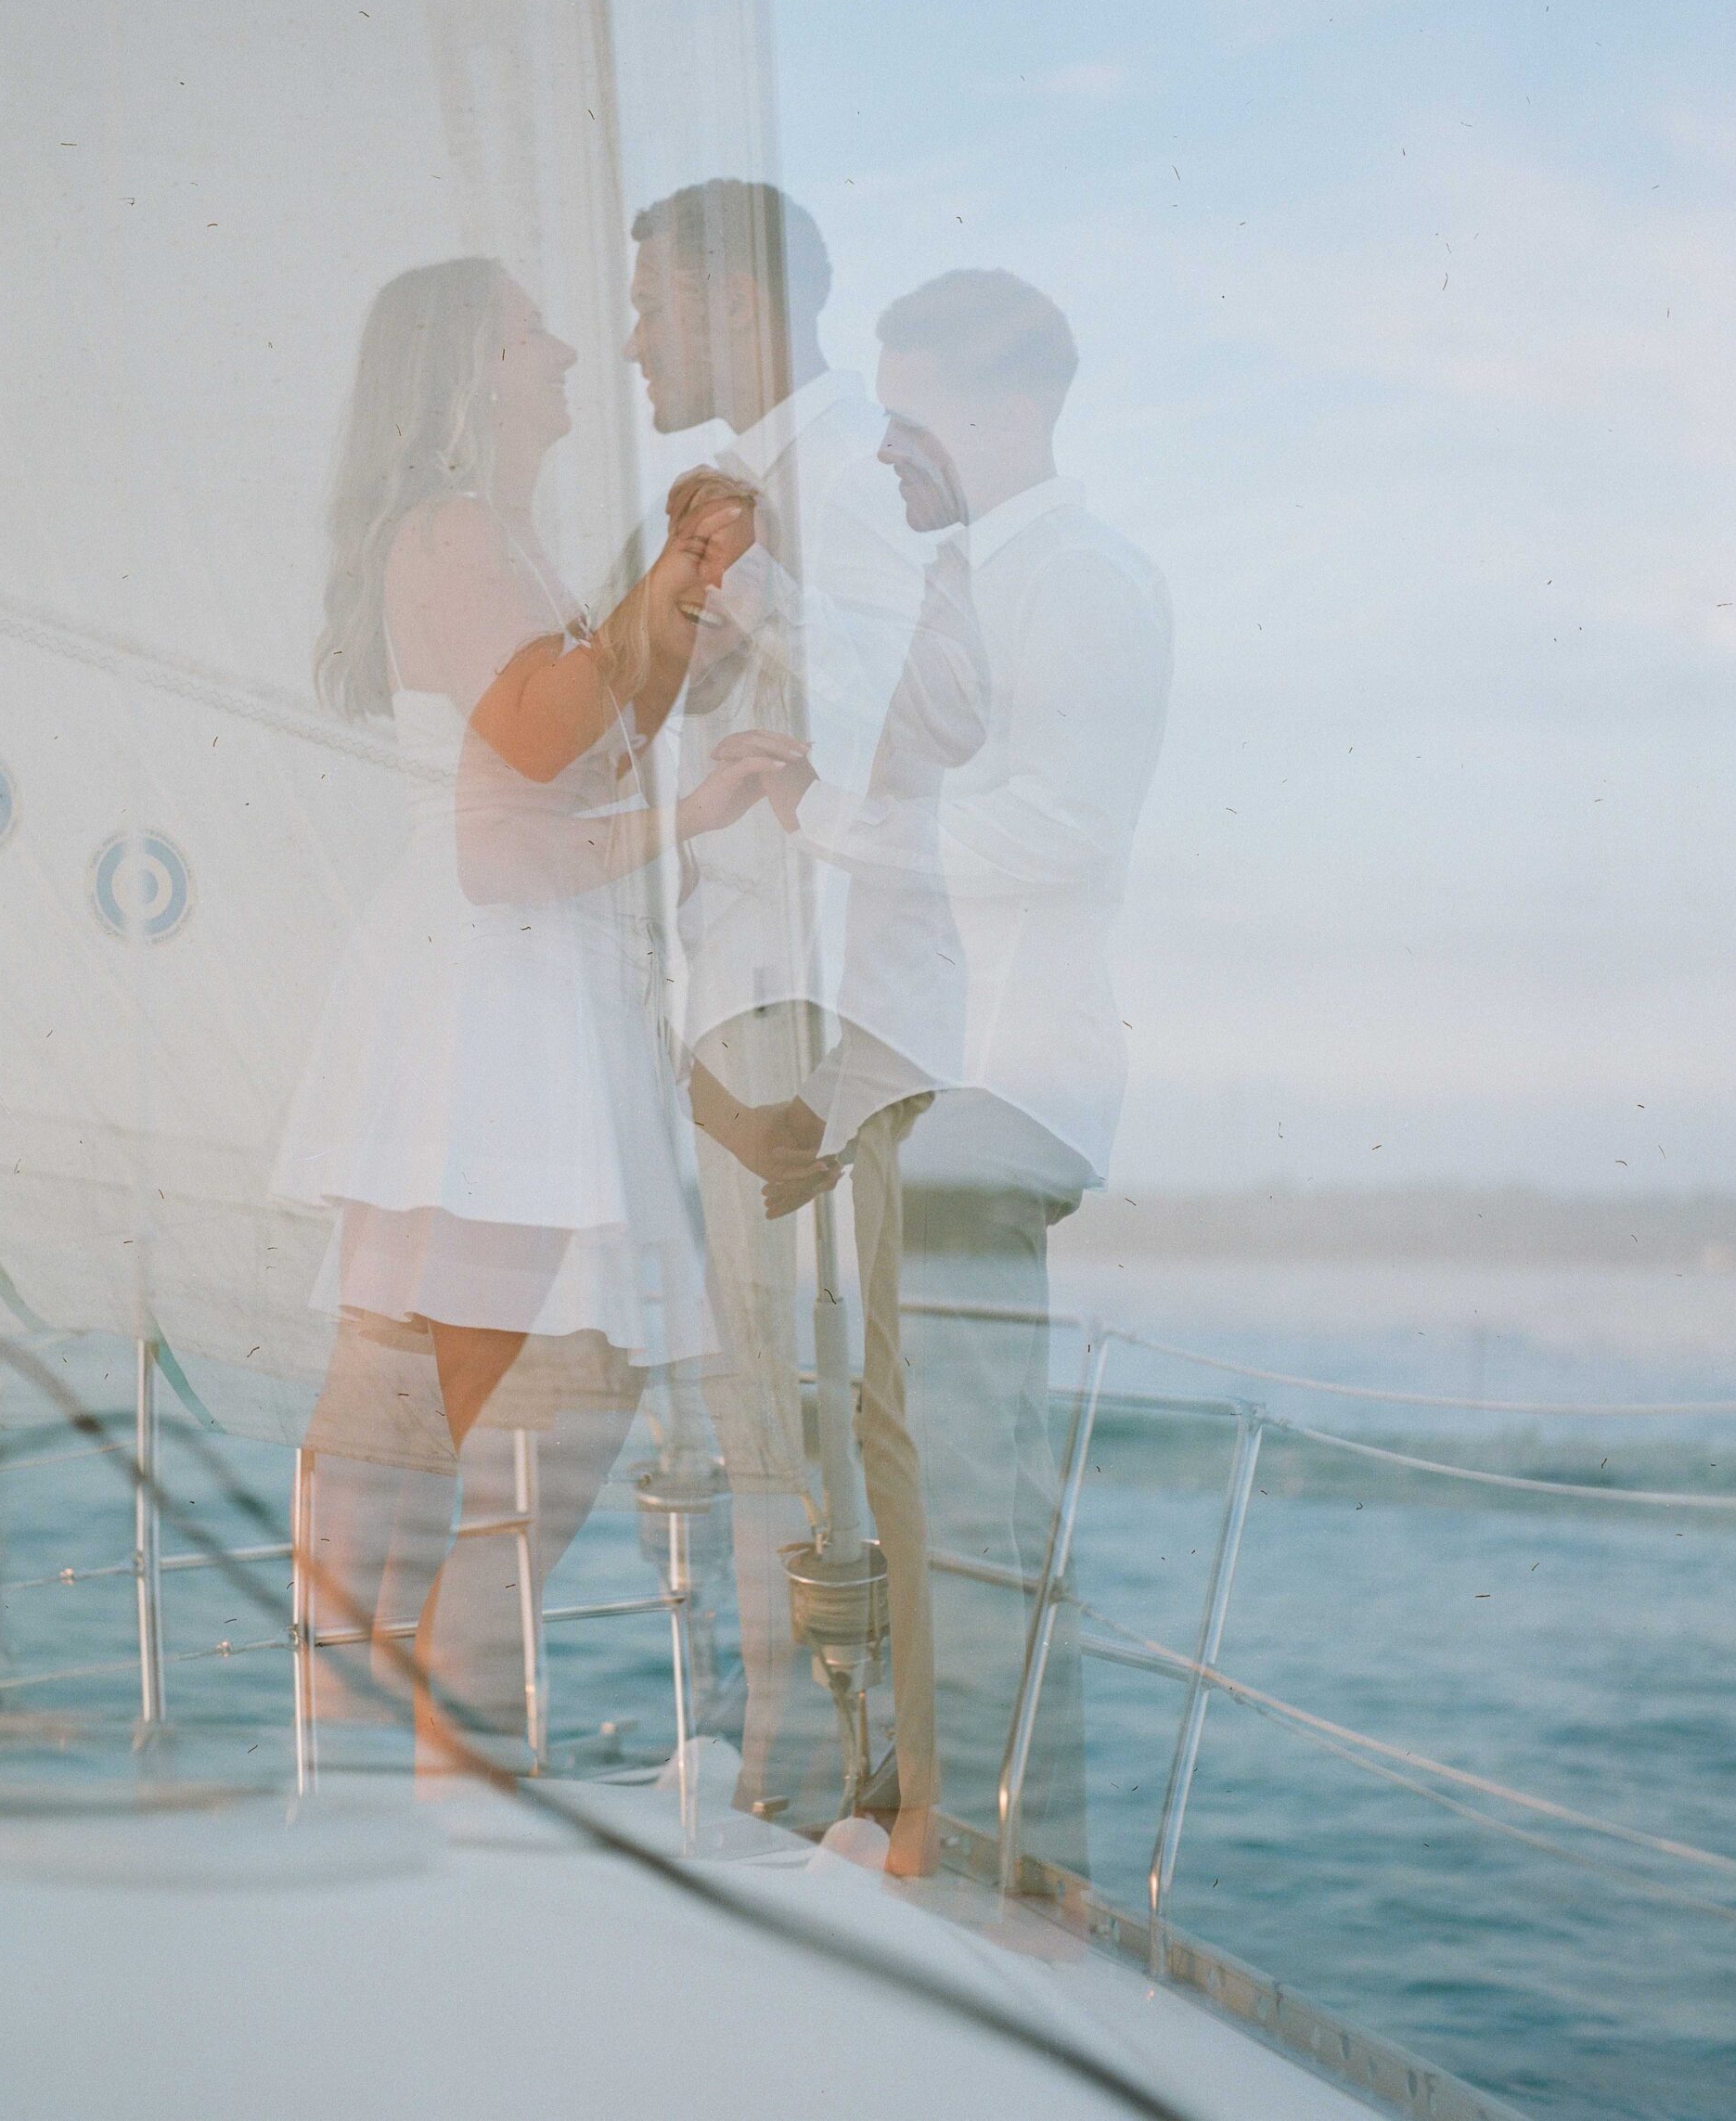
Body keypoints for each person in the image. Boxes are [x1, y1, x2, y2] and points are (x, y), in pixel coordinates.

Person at [272, 256, 792, 1776]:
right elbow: (531, 770)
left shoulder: (493, 535)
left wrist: (685, 604)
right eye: (530, 334)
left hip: (508, 1004)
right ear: (469, 375)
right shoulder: (450, 536)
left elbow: (577, 731)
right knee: (501, 1431)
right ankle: (435, 1805)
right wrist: (680, 599)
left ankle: (409, 1797)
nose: (569, 351)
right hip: (498, 1009)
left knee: (477, 1436)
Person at [624, 181, 983, 1870]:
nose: (634, 334)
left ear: (725, 293)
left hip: (815, 998)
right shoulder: (740, 492)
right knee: (777, 1393)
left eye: (651, 299)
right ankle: (809, 1757)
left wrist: (729, 584)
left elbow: (908, 700)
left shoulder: (835, 475)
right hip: (746, 988)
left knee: (832, 1399)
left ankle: (865, 1781)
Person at [866, 267, 1174, 1866]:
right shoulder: (977, 584)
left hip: (996, 1091)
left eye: (906, 417)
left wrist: (830, 832)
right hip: (924, 1082)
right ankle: (939, 1828)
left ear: (1000, 414)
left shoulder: (1085, 584)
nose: (883, 453)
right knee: (922, 1483)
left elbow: (1063, 828)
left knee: (973, 1493)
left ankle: (1000, 1863)